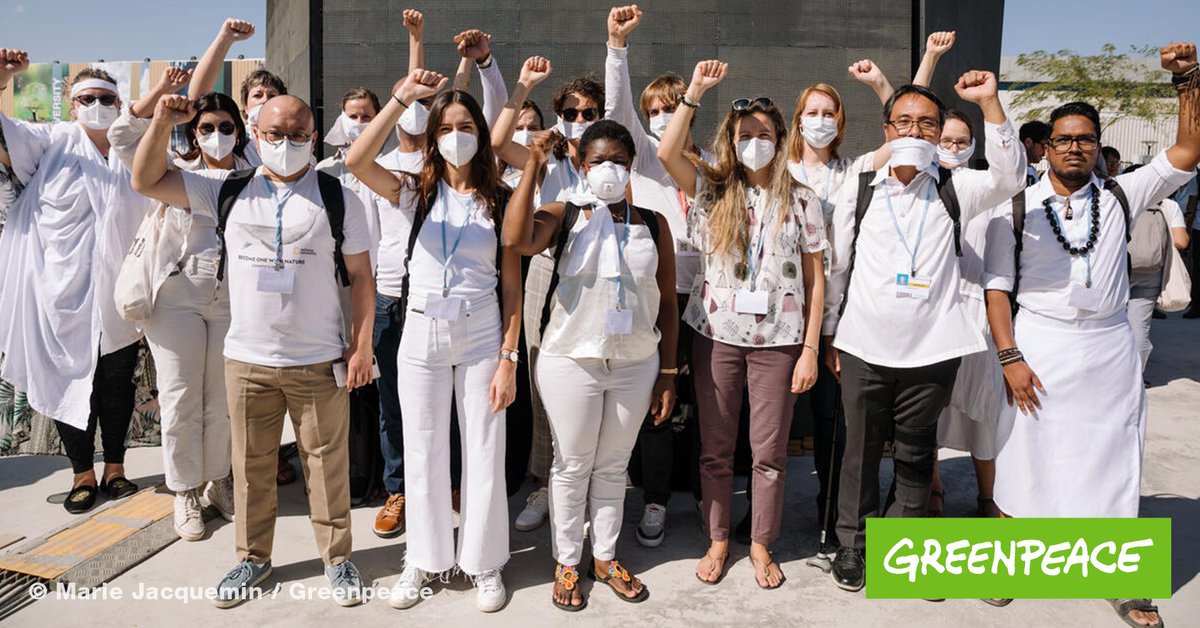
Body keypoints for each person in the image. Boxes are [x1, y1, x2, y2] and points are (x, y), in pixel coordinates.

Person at [984, 43, 1200, 628]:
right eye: (1064, 139)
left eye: (1085, 139)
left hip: (1108, 346)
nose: (1074, 147)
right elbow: (997, 289)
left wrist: (1188, 80)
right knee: (1023, 453)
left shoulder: (1125, 194)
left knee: (1113, 454)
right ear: (1046, 147)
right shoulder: (1016, 207)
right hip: (1039, 344)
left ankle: (1122, 576)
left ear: (1099, 146)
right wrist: (1010, 357)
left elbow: (1187, 149)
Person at [131, 93, 375, 608]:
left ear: (313, 136)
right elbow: (146, 181)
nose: (286, 144)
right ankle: (253, 557)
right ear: (255, 135)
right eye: (275, 135)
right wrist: (161, 123)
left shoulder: (338, 197)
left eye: (297, 135)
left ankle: (337, 559)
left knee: (326, 467)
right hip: (247, 358)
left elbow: (361, 278)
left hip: (317, 358)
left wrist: (360, 346)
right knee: (250, 468)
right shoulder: (225, 187)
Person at [822, 70, 1025, 591]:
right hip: (864, 347)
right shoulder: (859, 189)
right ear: (887, 131)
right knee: (860, 453)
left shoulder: (960, 188)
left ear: (939, 133)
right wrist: (829, 336)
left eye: (927, 123)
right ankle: (852, 545)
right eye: (905, 121)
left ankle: (903, 547)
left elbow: (1010, 177)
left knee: (916, 454)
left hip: (933, 350)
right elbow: (838, 268)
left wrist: (990, 104)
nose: (915, 130)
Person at [347, 70, 520, 614]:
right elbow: (356, 160)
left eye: (465, 126)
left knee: (484, 447)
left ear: (481, 133)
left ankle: (484, 562)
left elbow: (511, 286)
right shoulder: (413, 189)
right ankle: (422, 557)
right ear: (431, 134)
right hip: (421, 328)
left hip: (482, 328)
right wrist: (401, 98)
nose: (455, 136)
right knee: (422, 445)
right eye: (444, 128)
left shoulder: (500, 197)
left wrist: (509, 357)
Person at [658, 60, 827, 590]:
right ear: (731, 142)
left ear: (780, 140)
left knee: (769, 452)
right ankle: (717, 538)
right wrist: (695, 91)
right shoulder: (713, 190)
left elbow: (816, 278)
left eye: (765, 135)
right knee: (715, 447)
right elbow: (666, 153)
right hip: (716, 337)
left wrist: (810, 349)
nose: (756, 143)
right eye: (745, 136)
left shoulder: (802, 198)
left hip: (780, 340)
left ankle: (759, 542)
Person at [503, 119, 678, 610]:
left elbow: (666, 302)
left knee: (613, 466)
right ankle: (566, 561)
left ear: (632, 166)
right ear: (582, 165)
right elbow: (516, 238)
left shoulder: (653, 223)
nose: (609, 169)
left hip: (635, 362)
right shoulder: (565, 213)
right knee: (572, 464)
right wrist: (533, 164)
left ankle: (604, 558)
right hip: (571, 361)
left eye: (619, 161)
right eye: (598, 160)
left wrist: (667, 372)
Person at [0, 52, 153, 514]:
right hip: (62, 292)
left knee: (117, 382)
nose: (96, 105)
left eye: (106, 98)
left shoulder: (132, 148)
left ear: (119, 103)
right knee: (72, 384)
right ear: (72, 105)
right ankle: (82, 474)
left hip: (120, 290)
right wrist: (2, 77)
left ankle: (116, 469)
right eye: (87, 99)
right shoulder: (50, 142)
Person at [108, 68, 249, 540]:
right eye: (206, 127)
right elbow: (133, 162)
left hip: (232, 299)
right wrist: (162, 118)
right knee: (180, 395)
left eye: (226, 126)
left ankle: (219, 479)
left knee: (222, 398)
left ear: (240, 131)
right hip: (177, 295)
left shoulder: (256, 175)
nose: (216, 134)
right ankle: (185, 490)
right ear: (193, 132)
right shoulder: (179, 171)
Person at [604, 4, 714, 548]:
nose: (662, 117)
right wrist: (617, 48)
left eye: (671, 108)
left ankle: (708, 492)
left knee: (710, 405)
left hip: (710, 302)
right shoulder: (645, 158)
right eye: (654, 111)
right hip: (656, 299)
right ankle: (654, 498)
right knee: (657, 404)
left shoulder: (715, 164)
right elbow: (615, 108)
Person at [924, 109, 1006, 519]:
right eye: (946, 140)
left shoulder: (987, 190)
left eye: (961, 141)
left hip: (977, 310)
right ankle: (934, 489)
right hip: (931, 311)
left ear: (973, 145)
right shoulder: (921, 186)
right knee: (928, 411)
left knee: (982, 410)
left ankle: (988, 495)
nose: (953, 147)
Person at [1123, 164, 1190, 370]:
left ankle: (1110, 375)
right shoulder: (1168, 205)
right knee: (1139, 327)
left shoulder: (1117, 199)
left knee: (1110, 325)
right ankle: (1136, 377)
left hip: (1118, 269)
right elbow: (1181, 241)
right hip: (1151, 272)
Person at [317, 87, 381, 193]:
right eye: (353, 117)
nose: (359, 122)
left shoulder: (391, 162)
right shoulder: (326, 168)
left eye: (366, 117)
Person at [1020, 120, 1050, 186]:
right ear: (1028, 142)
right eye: (1043, 146)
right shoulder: (1012, 172)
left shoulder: (1032, 172)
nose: (1045, 152)